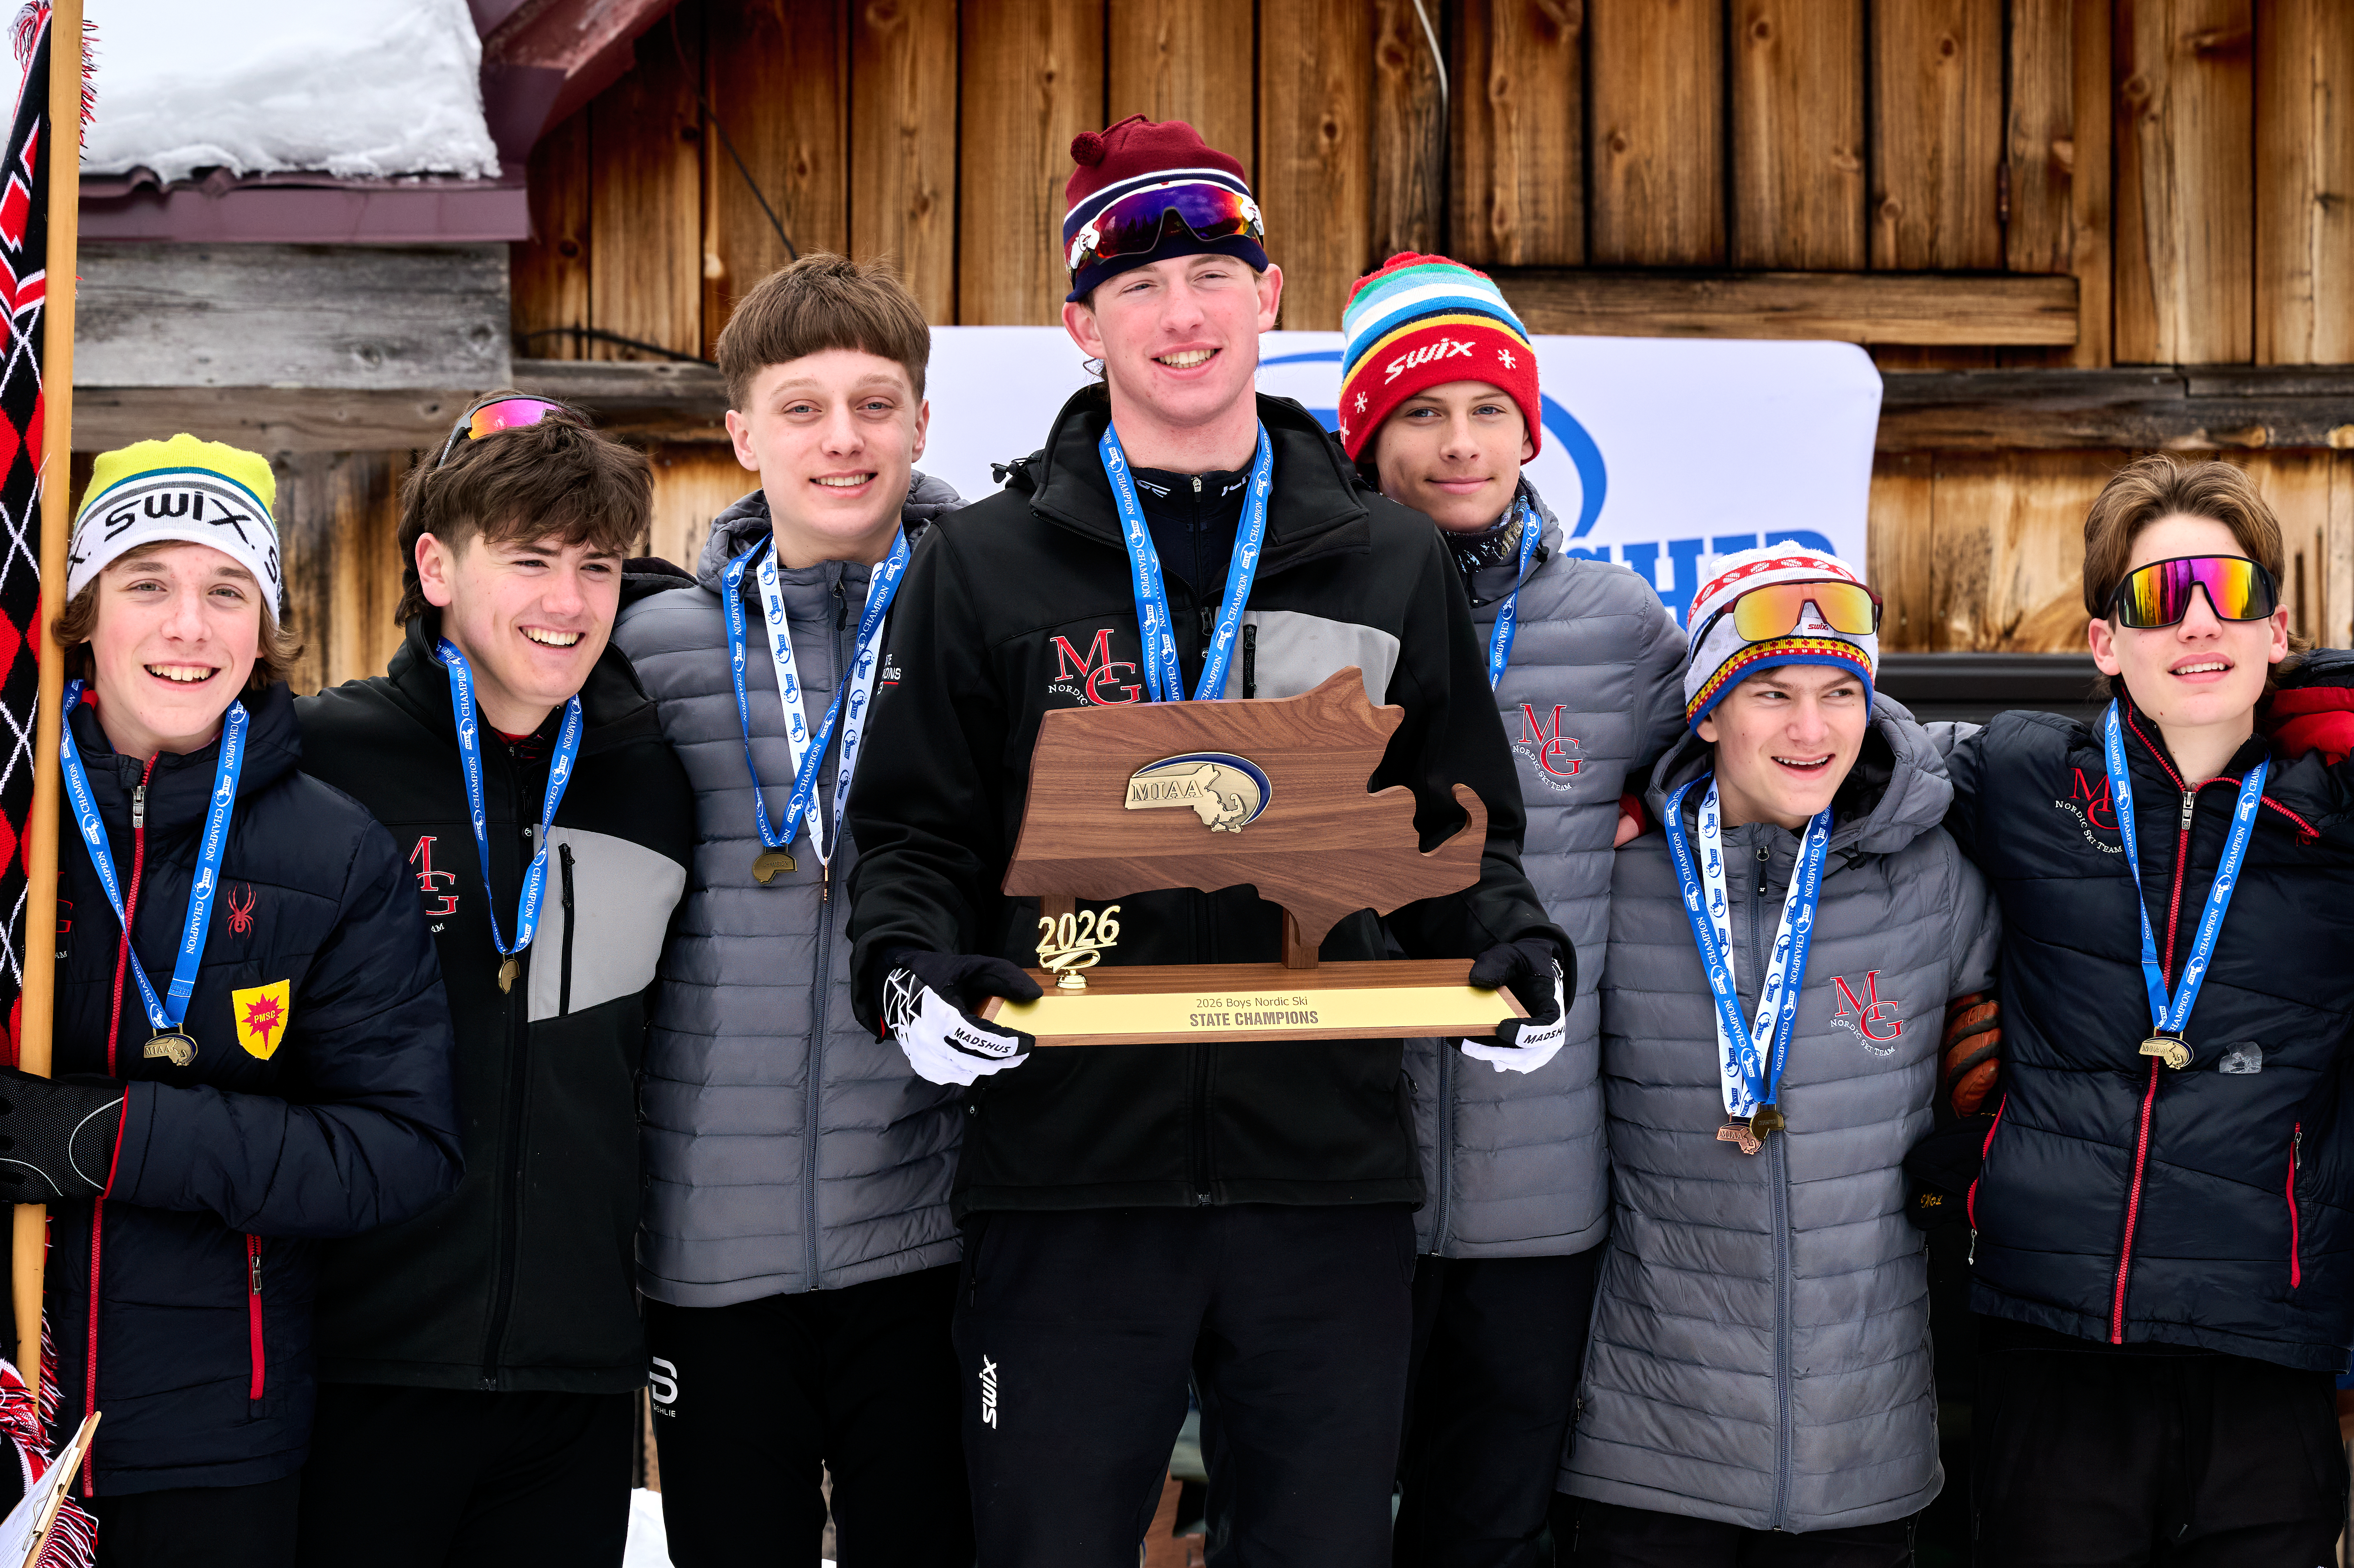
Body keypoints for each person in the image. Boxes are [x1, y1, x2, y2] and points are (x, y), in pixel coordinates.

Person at [844, 114, 1569, 1566]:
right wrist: (908, 980)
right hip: (1066, 1182)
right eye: (1138, 286)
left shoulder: (1385, 556)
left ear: (1270, 295)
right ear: (1080, 325)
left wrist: (1511, 959)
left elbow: (1451, 830)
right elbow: (913, 834)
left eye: (1213, 274)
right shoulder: (980, 568)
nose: (1181, 314)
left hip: (1323, 1186)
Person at [0, 435, 462, 1565]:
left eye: (225, 590)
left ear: (264, 628)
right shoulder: (16, 830)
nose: (187, 626)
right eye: (146, 584)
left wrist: (119, 1139)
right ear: (81, 617)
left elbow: (400, 1149)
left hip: (213, 1439)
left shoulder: (334, 853)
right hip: (6, 1404)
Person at [609, 253, 971, 1567]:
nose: (843, 438)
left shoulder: (990, 631)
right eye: (803, 406)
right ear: (741, 433)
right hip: (713, 1242)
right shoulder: (651, 655)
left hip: (931, 1237)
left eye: (877, 404)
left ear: (923, 423)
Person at [293, 398, 694, 1567]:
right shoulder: (323, 760)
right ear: (435, 567)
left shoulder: (652, 780)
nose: (566, 604)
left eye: (595, 566)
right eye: (527, 560)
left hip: (573, 1382)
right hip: (358, 1363)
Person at [1333, 251, 1684, 1565]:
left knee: (1490, 1537)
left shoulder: (1615, 626)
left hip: (1541, 1199)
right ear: (1366, 438)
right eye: (1420, 412)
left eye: (1488, 409)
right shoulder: (1302, 612)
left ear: (1531, 429)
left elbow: (1765, 752)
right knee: (1304, 1523)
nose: (1460, 443)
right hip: (1337, 1180)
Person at [1939, 455, 2354, 1564]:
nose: (2197, 624)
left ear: (2276, 628)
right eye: (2156, 599)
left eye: (2229, 593)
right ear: (2103, 642)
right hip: (2054, 1341)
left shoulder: (2338, 815)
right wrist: (1669, 783)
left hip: (2263, 1352)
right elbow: (1840, 760)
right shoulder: (2020, 778)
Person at [1559, 546, 2000, 1565]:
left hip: (1863, 1454)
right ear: (1707, 711)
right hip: (1642, 1448)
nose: (1810, 728)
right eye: (1769, 692)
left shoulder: (1930, 876)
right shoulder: (1615, 876)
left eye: (1839, 691)